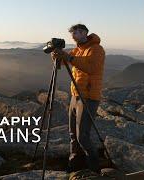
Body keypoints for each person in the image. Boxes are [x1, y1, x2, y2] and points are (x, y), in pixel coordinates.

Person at [51, 24, 105, 173]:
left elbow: (91, 67)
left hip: (88, 97)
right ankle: (75, 166)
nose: (75, 35)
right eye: (73, 33)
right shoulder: (77, 50)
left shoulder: (96, 49)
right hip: (75, 96)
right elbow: (62, 63)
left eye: (78, 32)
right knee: (73, 135)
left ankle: (94, 169)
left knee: (83, 137)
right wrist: (56, 56)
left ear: (85, 33)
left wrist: (68, 57)